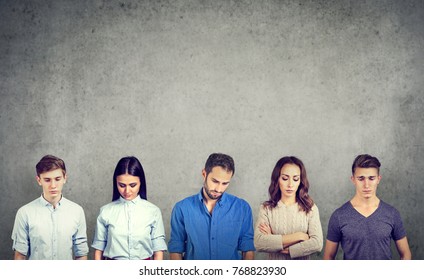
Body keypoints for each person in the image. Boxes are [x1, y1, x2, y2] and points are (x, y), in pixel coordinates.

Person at [323, 154, 412, 260]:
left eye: (371, 178)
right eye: (361, 178)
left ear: (378, 179)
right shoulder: (339, 216)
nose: (366, 185)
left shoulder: (392, 214)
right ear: (353, 180)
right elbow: (328, 257)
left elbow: (406, 254)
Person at [168, 153, 255, 260]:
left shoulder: (242, 208)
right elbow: (176, 249)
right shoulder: (182, 208)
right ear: (204, 174)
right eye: (215, 181)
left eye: (225, 183)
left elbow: (247, 248)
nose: (219, 189)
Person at [11, 155, 89, 260]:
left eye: (57, 179)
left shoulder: (77, 211)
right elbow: (20, 255)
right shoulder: (24, 213)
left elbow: (81, 254)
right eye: (47, 180)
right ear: (39, 180)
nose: (53, 185)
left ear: (65, 178)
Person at [92, 156, 167, 260]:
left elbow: (158, 251)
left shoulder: (153, 211)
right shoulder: (105, 211)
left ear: (141, 182)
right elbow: (98, 250)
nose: (127, 191)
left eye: (132, 185)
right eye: (122, 185)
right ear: (116, 183)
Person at [254, 156, 323, 260]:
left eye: (295, 179)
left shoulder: (310, 208)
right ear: (277, 179)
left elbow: (317, 244)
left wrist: (275, 243)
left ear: (300, 181)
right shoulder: (266, 209)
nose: (290, 184)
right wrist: (299, 236)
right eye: (285, 178)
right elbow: (259, 243)